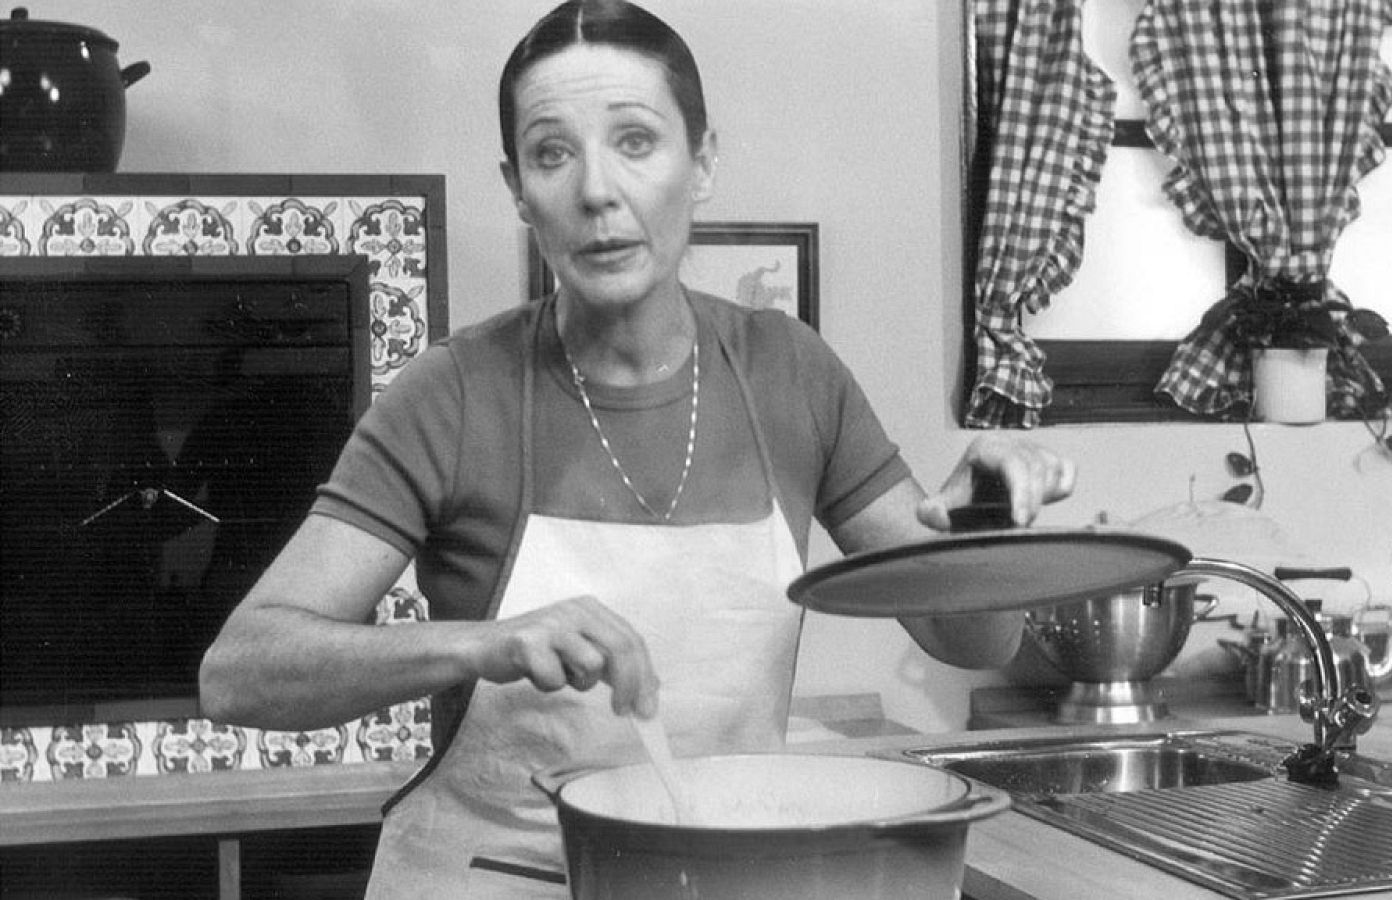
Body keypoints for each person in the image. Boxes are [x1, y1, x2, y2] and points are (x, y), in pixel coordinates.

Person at [199, 1, 1074, 896]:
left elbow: (976, 639)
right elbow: (240, 673)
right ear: (518, 188)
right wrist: (480, 645)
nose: (596, 191)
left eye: (636, 141)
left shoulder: (791, 374)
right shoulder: (452, 395)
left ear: (703, 162)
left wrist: (983, 529)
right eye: (552, 153)